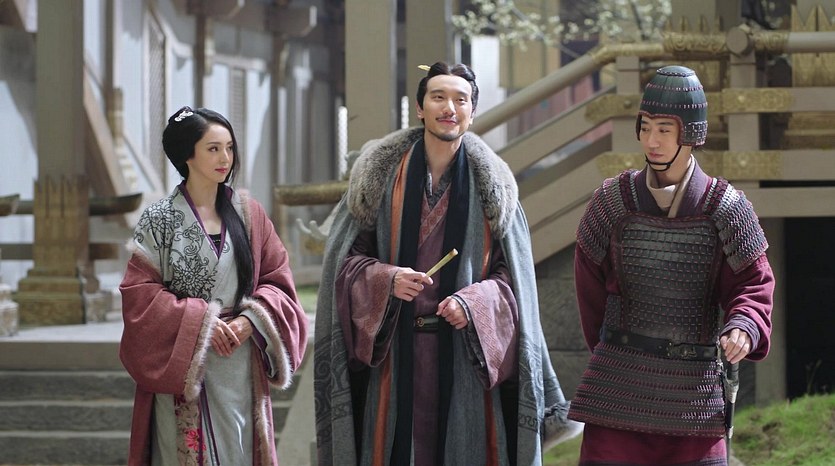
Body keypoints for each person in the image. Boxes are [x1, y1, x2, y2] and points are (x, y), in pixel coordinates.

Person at [313, 62, 579, 466]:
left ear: (472, 112)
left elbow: (514, 279)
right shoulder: (379, 178)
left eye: (460, 100)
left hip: (466, 358)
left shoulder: (494, 186)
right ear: (420, 108)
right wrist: (386, 279)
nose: (449, 108)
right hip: (394, 356)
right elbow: (345, 262)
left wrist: (475, 304)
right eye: (438, 97)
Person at [568, 65, 774, 465]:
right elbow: (589, 294)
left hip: (693, 395)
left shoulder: (726, 209)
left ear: (691, 134)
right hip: (619, 387)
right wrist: (613, 354)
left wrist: (744, 325)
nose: (652, 140)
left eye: (664, 129)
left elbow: (754, 283)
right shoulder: (610, 204)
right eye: (645, 128)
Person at [119, 106, 308, 465]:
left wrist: (250, 320)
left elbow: (278, 281)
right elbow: (139, 296)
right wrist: (201, 321)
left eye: (230, 148)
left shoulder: (249, 213)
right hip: (185, 363)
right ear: (186, 154)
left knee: (240, 450)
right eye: (213, 148)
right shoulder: (159, 219)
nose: (225, 158)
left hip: (239, 361)